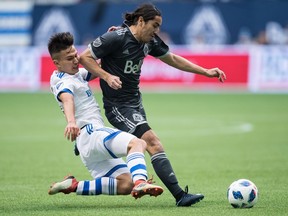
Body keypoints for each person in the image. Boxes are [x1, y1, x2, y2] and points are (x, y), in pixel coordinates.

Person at [80, 3, 226, 206]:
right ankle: (179, 196)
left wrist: (206, 71)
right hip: (118, 106)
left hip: (135, 103)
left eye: (158, 26)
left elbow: (172, 59)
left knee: (148, 144)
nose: (157, 31)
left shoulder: (149, 42)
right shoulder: (116, 37)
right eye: (154, 25)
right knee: (153, 142)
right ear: (141, 21)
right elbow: (84, 57)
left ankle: (177, 194)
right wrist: (106, 76)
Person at [47, 31, 164, 199]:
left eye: (75, 55)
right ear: (56, 63)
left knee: (125, 184)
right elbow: (67, 99)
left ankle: (74, 186)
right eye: (69, 58)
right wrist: (71, 122)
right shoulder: (64, 81)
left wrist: (110, 42)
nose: (75, 61)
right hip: (90, 133)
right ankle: (141, 182)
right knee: (137, 143)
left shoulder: (75, 74)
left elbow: (98, 68)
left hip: (86, 144)